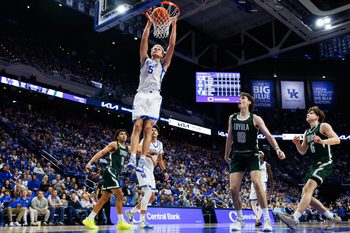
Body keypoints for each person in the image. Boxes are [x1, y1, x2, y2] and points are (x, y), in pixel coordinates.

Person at [224, 92, 286, 232]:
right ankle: (240, 220)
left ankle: (267, 219)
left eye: (243, 98)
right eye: (239, 98)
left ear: (249, 102)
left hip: (252, 155)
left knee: (257, 183)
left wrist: (277, 149)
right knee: (233, 189)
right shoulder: (232, 118)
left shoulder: (255, 118)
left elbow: (268, 135)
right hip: (237, 156)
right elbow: (229, 137)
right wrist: (226, 154)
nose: (240, 100)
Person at [127, 15, 177, 174]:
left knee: (148, 128)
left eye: (159, 49)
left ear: (162, 54)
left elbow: (172, 44)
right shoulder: (145, 60)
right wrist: (149, 23)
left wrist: (173, 25)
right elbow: (144, 39)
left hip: (155, 96)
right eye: (154, 47)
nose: (156, 48)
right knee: (137, 125)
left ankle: (142, 160)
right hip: (141, 94)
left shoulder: (164, 65)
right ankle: (132, 157)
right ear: (150, 51)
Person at [278, 106, 341, 230]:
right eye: (307, 113)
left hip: (325, 162)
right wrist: (297, 144)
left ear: (317, 117)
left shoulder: (323, 126)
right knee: (306, 194)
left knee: (308, 188)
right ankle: (332, 217)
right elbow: (302, 151)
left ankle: (294, 218)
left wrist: (321, 141)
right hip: (314, 165)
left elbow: (337, 140)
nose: (308, 114)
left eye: (311, 113)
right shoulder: (307, 132)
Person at [82, 129, 133, 230]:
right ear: (117, 137)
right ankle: (121, 221)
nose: (124, 135)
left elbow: (139, 150)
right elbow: (101, 153)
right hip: (110, 171)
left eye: (125, 134)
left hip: (116, 174)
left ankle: (89, 218)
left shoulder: (128, 148)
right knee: (119, 194)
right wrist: (90, 162)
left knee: (104, 198)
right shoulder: (114, 144)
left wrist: (151, 153)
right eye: (121, 134)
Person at [126, 125, 169, 229]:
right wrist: (149, 155)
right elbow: (136, 150)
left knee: (153, 197)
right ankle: (141, 222)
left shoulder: (160, 144)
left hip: (151, 171)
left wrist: (165, 171)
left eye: (155, 130)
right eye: (152, 130)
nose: (153, 131)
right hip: (142, 167)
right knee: (148, 192)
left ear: (158, 133)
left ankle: (131, 212)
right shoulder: (145, 140)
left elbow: (160, 159)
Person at [249, 150, 274, 227]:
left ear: (263, 155)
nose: (259, 154)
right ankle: (257, 217)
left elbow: (270, 177)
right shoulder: (253, 164)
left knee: (261, 202)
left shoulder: (267, 165)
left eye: (261, 153)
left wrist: (272, 188)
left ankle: (257, 219)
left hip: (263, 183)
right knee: (252, 202)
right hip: (254, 183)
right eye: (258, 153)